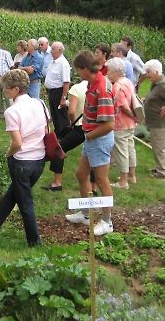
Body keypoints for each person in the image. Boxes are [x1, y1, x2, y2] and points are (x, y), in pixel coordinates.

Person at [0, 69, 47, 246]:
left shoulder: (12, 111)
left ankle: (34, 241)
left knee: (24, 202)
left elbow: (17, 143)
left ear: (16, 90)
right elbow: (46, 126)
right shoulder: (40, 103)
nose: (4, 91)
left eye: (6, 88)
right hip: (40, 160)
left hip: (22, 162)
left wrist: (8, 153)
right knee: (12, 196)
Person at [65, 51, 115, 236]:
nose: (78, 74)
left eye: (78, 70)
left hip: (99, 140)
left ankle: (107, 222)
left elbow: (109, 124)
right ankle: (86, 214)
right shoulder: (92, 84)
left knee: (102, 180)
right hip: (92, 137)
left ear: (85, 69)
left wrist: (90, 135)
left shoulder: (101, 88)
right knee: (81, 174)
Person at [43, 79, 88, 191]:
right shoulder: (96, 86)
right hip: (93, 126)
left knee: (59, 148)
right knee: (91, 153)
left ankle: (57, 183)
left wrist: (72, 123)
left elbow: (72, 111)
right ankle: (94, 186)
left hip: (80, 126)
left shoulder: (76, 89)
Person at [143, 59, 165, 178]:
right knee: (156, 145)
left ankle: (162, 172)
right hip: (155, 121)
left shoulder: (163, 85)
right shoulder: (157, 83)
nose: (147, 75)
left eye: (149, 72)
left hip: (160, 122)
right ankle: (159, 167)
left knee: (159, 147)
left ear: (157, 71)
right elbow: (157, 97)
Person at [106, 58, 137, 189]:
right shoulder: (128, 82)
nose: (107, 74)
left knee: (121, 151)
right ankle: (132, 175)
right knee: (130, 148)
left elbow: (123, 105)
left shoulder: (117, 86)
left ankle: (123, 181)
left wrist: (133, 116)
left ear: (116, 72)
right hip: (130, 124)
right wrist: (134, 118)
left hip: (121, 123)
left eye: (109, 71)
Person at [44, 41, 71, 137]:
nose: (51, 51)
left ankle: (65, 133)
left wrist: (63, 97)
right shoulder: (53, 62)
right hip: (51, 91)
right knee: (54, 113)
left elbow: (66, 82)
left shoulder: (63, 64)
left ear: (59, 50)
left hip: (59, 91)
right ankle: (58, 132)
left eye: (53, 49)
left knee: (61, 114)